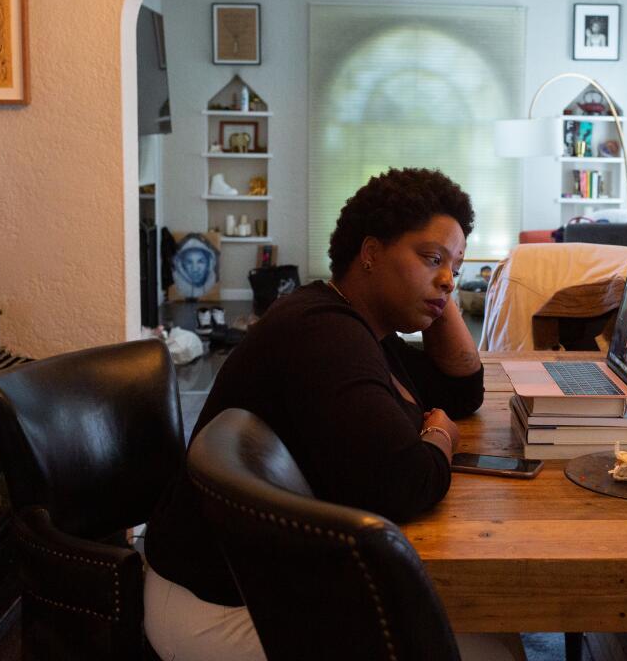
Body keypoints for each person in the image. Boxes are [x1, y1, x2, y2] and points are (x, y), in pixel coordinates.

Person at [144, 168, 520, 660]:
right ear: (370, 252)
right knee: (495, 650)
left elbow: (461, 387)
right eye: (430, 258)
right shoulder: (324, 335)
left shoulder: (359, 325)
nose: (450, 279)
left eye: (457, 266)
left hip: (264, 582)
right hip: (219, 608)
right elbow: (405, 483)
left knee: (499, 633)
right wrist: (437, 435)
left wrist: (436, 283)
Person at [171, 233, 219, 299]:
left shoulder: (213, 288)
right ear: (181, 265)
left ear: (209, 263)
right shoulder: (174, 289)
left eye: (200, 262)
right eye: (189, 262)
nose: (195, 269)